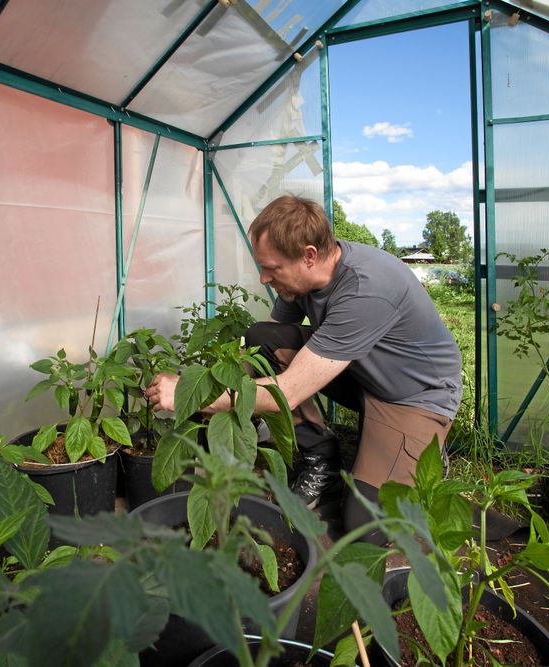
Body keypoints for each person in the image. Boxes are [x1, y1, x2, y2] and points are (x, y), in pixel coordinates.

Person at [147, 195, 462, 542]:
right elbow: (261, 351)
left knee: (364, 527)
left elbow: (288, 391)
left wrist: (194, 396)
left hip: (413, 397)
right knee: (261, 337)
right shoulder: (304, 276)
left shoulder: (366, 290)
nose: (264, 278)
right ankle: (319, 456)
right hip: (362, 372)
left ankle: (428, 449)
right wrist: (224, 386)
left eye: (272, 268)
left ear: (309, 255)